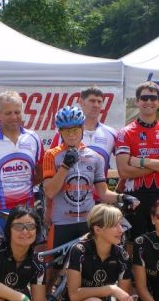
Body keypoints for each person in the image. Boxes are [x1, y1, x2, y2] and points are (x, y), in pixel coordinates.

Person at [43, 105, 138, 252]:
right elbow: (49, 192)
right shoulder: (51, 155)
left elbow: (103, 193)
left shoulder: (95, 157)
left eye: (75, 130)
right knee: (55, 265)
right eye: (66, 131)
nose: (71, 135)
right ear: (60, 132)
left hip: (88, 222)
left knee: (88, 262)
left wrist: (123, 197)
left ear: (82, 129)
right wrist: (65, 166)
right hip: (61, 223)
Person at [115, 81, 159, 241]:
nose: (149, 101)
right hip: (134, 196)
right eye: (144, 98)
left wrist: (142, 162)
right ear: (137, 101)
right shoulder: (125, 132)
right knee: (134, 243)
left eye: (153, 98)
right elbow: (123, 171)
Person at [0, 91, 43, 237]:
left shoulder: (33, 138)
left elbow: (42, 172)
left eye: (17, 112)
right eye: (8, 113)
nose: (13, 117)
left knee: (25, 248)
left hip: (26, 210)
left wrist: (27, 186)